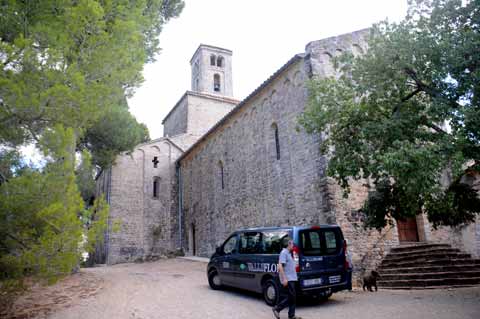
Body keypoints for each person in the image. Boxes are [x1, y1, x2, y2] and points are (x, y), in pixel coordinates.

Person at [272, 239, 302, 319]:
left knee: (292, 296)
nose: (293, 245)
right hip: (288, 278)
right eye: (292, 244)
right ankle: (277, 308)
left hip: (292, 278)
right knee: (292, 296)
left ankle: (291, 315)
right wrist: (284, 279)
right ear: (288, 244)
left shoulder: (289, 253)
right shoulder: (284, 253)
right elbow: (280, 266)